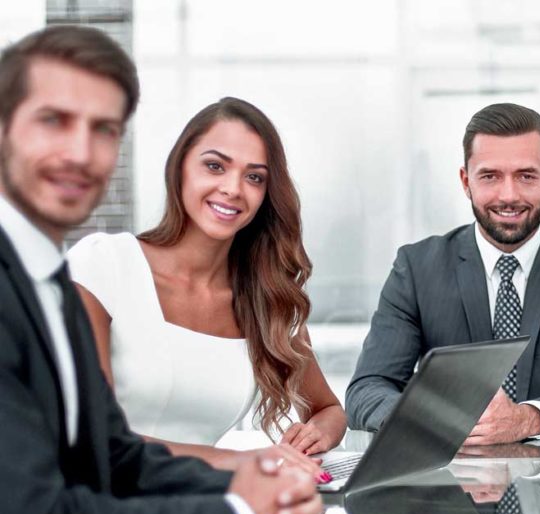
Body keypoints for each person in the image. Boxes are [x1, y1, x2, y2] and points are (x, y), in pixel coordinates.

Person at [0, 26, 321, 514]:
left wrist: (254, 480)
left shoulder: (44, 281)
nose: (79, 153)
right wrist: (245, 503)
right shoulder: (93, 267)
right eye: (53, 121)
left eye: (103, 132)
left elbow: (112, 449)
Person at [68, 97, 344, 480]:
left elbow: (329, 410)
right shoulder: (102, 264)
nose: (233, 188)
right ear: (180, 167)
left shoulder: (265, 298)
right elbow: (93, 437)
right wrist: (244, 461)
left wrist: (314, 437)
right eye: (215, 166)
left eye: (254, 177)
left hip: (197, 512)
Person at [346, 103, 540, 444]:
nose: (509, 195)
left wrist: (527, 419)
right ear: (466, 182)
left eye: (526, 176)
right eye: (490, 176)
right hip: (447, 487)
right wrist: (432, 421)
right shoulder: (417, 268)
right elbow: (367, 389)